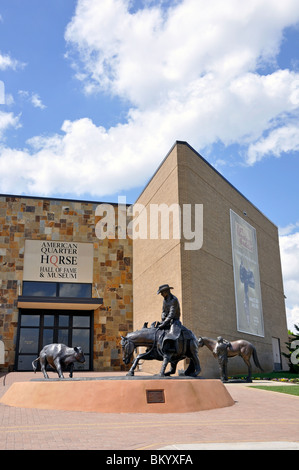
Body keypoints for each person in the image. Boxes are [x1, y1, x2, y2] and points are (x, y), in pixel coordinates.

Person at [156, 284, 182, 353]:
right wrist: (163, 317)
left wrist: (164, 323)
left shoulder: (174, 300)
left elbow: (172, 314)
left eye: (162, 292)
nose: (161, 294)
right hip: (166, 320)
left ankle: (174, 348)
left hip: (174, 320)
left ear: (166, 291)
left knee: (173, 333)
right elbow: (164, 311)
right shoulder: (164, 301)